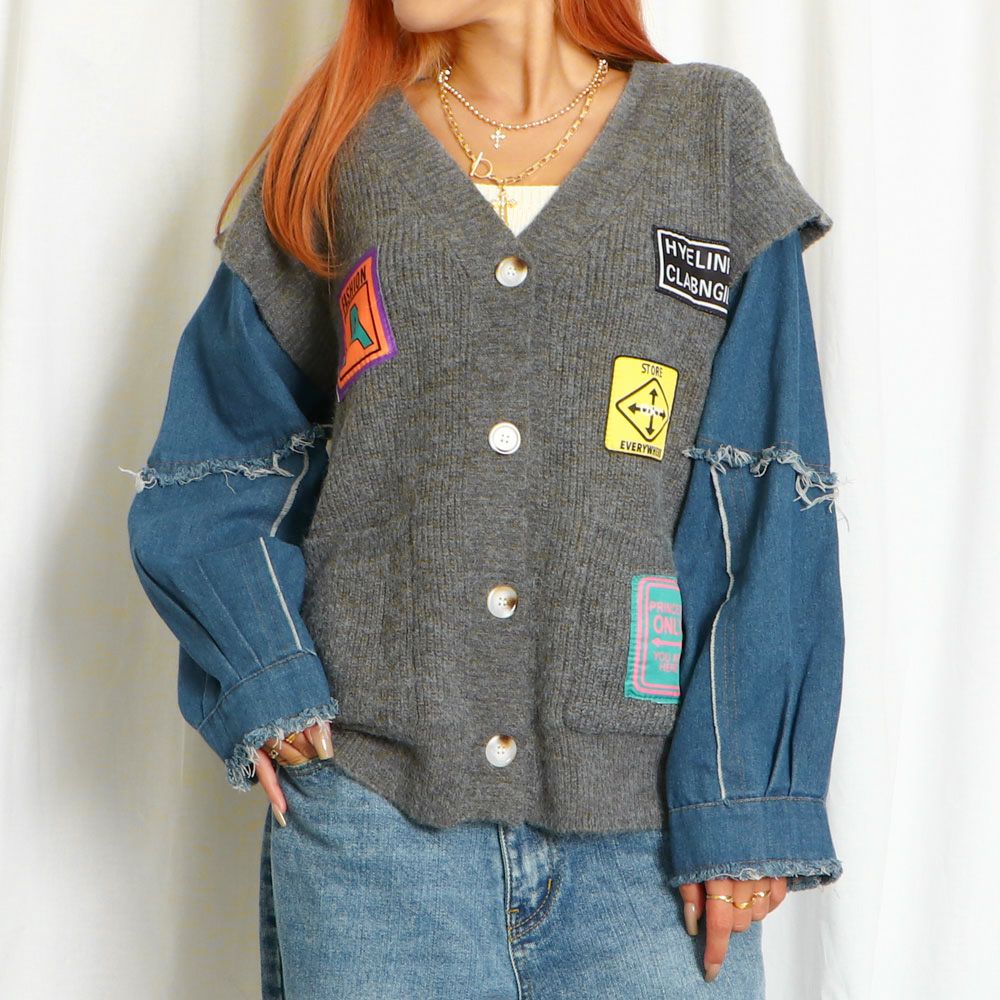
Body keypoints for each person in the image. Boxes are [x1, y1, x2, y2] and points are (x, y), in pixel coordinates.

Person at [122, 1, 845, 996]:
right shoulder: (341, 150)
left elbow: (764, 479)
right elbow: (219, 453)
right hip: (374, 828)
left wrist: (744, 796)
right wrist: (266, 672)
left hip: (647, 844)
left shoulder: (708, 133)